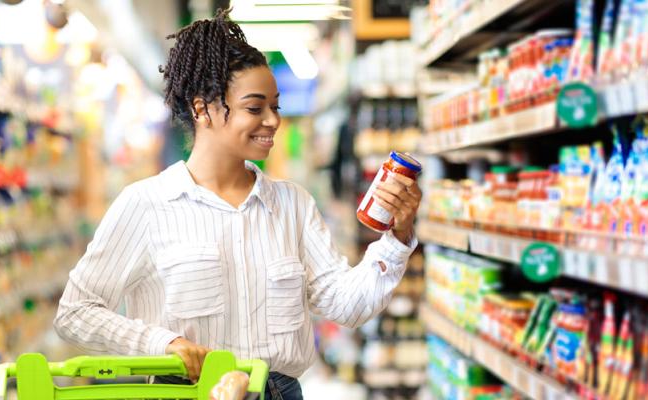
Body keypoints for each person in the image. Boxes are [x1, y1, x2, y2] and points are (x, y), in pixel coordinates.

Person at [53, 9, 421, 400]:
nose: (273, 121)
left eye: (275, 107)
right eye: (254, 107)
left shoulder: (291, 204)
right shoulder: (146, 204)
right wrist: (164, 344)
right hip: (186, 393)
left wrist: (397, 236)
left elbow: (346, 305)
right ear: (202, 109)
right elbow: (76, 313)